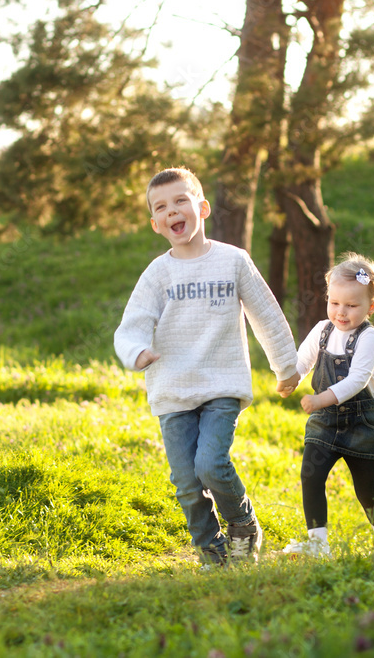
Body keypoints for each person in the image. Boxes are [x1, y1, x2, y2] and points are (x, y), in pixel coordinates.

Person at [114, 166, 300, 567]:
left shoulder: (233, 261)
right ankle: (212, 552)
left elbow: (265, 314)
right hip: (172, 388)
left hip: (221, 382)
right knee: (185, 482)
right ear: (155, 223)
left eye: (181, 200)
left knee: (211, 464)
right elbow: (132, 325)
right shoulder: (157, 273)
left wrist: (286, 366)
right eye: (161, 207)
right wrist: (137, 353)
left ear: (202, 207)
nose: (172, 211)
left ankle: (242, 526)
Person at [278, 252, 374, 557]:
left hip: (361, 423)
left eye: (351, 305)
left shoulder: (369, 338)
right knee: (311, 475)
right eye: (334, 303)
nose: (341, 312)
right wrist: (291, 377)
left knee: (367, 491)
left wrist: (320, 398)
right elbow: (304, 359)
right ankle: (318, 544)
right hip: (326, 421)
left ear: (371, 306)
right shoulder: (322, 330)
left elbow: (357, 380)